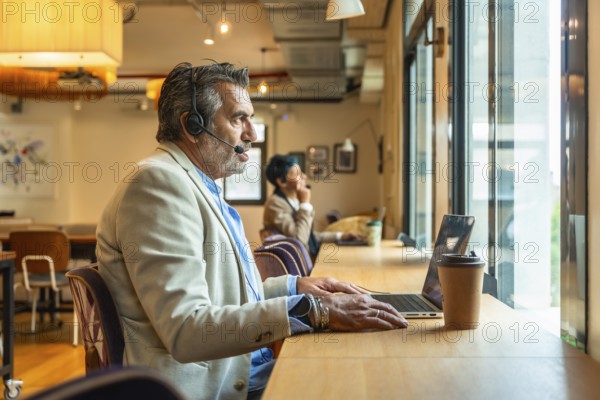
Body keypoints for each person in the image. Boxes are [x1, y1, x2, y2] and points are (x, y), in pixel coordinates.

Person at [96, 62, 407, 400]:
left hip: (246, 372)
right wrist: (315, 310)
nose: (252, 134)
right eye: (237, 119)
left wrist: (295, 286)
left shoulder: (194, 183)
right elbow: (187, 330)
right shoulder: (157, 183)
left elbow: (223, 298)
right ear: (192, 125)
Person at [263, 154, 361, 257]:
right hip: (299, 265)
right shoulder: (275, 203)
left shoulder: (294, 201)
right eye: (298, 174)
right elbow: (299, 240)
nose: (304, 176)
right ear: (282, 182)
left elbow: (310, 235)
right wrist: (305, 204)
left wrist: (340, 236)